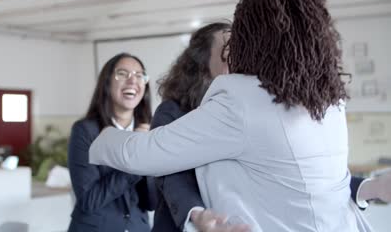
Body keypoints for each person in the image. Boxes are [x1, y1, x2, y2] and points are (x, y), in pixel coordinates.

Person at [89, 0, 380, 231]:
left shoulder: (242, 99)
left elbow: (145, 154)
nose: (233, 55)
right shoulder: (329, 102)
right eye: (226, 51)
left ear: (252, 41)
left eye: (235, 43)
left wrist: (102, 138)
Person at [151, 22, 391, 232]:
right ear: (201, 66)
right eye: (227, 56)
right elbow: (171, 174)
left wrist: (373, 187)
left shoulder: (258, 109)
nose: (238, 63)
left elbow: (299, 174)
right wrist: (197, 214)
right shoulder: (173, 111)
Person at [67, 52, 157, 232]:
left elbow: (152, 202)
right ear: (107, 82)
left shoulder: (152, 131)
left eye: (139, 75)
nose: (132, 81)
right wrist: (134, 156)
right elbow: (89, 200)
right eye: (123, 74)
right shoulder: (85, 131)